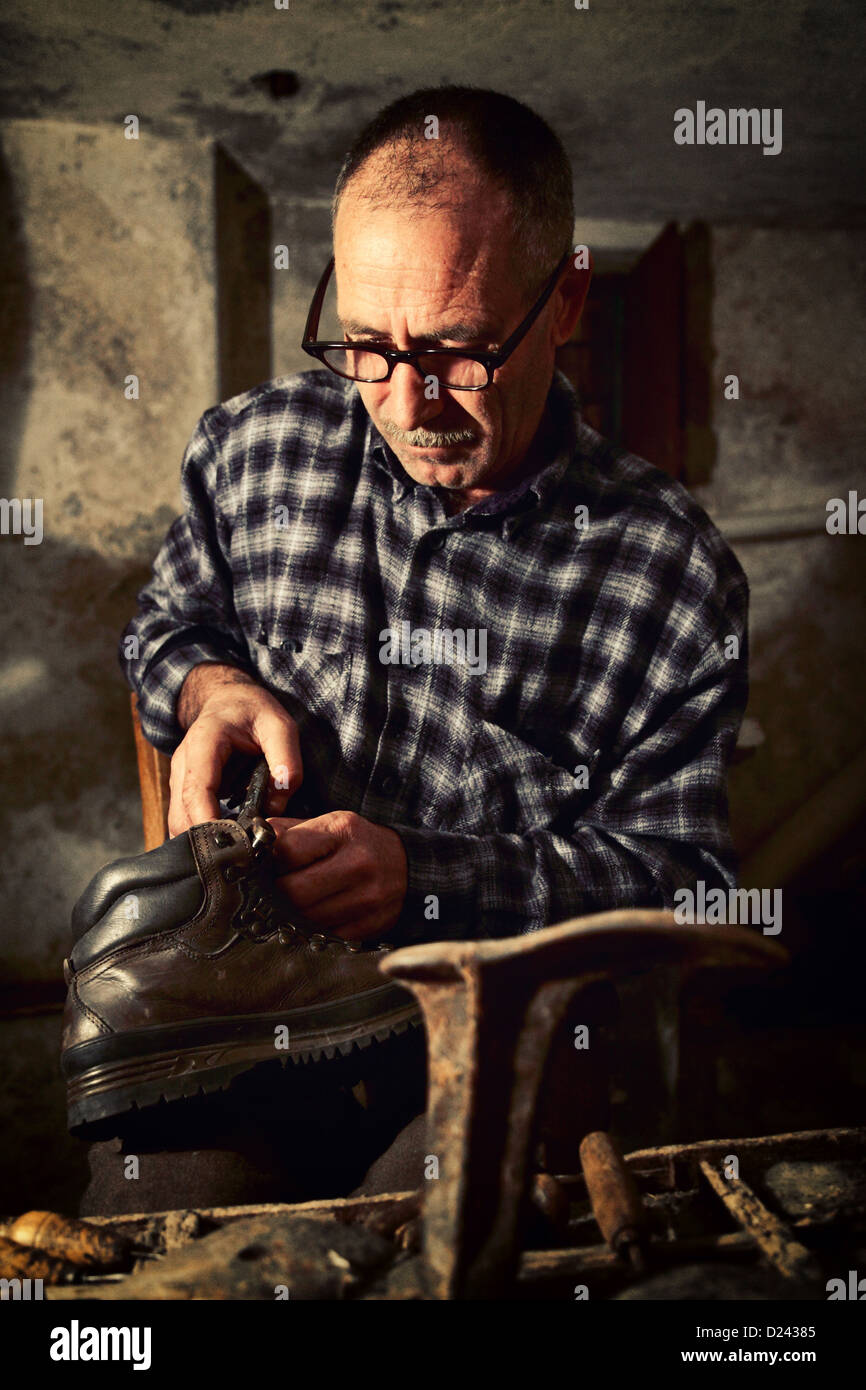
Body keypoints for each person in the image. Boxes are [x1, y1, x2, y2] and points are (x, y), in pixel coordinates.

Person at [75, 86, 748, 1214]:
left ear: (566, 298)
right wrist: (210, 685)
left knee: (410, 1236)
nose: (409, 401)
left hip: (503, 1026)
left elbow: (688, 883)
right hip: (245, 1010)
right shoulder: (251, 452)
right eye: (368, 349)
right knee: (162, 1235)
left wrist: (426, 879)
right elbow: (164, 625)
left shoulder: (667, 570)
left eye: (458, 349)